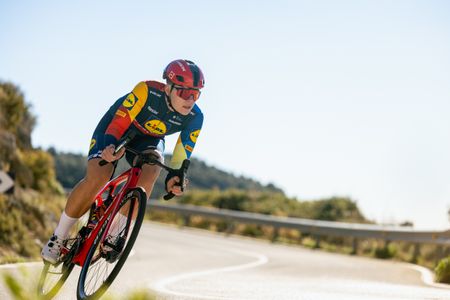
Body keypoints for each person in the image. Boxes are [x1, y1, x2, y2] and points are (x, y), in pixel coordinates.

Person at [41, 59, 205, 264]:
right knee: (98, 177)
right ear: (168, 87)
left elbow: (182, 152)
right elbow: (119, 123)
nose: (190, 99)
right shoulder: (146, 90)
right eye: (184, 92)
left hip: (150, 139)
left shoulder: (195, 117)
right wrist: (110, 146)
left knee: (152, 169)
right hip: (117, 128)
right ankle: (59, 236)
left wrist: (176, 175)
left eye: (196, 94)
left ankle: (114, 233)